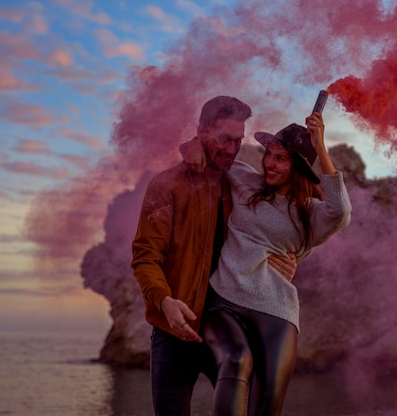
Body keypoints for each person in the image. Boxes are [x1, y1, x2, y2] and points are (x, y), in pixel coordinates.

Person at [131, 96, 298, 416]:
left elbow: (280, 226)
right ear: (202, 131)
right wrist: (165, 301)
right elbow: (145, 256)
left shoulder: (242, 183)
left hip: (230, 324)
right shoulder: (166, 185)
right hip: (172, 330)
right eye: (224, 139)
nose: (232, 150)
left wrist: (287, 263)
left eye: (238, 140)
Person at [183, 111, 352, 415]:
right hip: (225, 300)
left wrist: (320, 145)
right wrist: (196, 144)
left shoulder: (309, 213)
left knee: (268, 406)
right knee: (235, 359)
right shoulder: (245, 179)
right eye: (269, 155)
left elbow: (340, 211)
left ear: (297, 167)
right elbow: (209, 155)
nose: (270, 164)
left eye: (281, 159)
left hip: (276, 311)